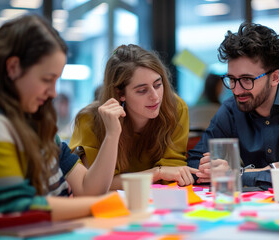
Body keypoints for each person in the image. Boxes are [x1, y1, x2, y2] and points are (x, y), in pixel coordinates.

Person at [0, 15, 123, 221]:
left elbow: (87, 188)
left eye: (56, 80)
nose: (54, 92)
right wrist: (105, 205)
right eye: (47, 79)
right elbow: (15, 209)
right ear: (13, 68)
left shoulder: (35, 120)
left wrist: (113, 133)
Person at [187, 22, 279, 190]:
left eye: (247, 79)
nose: (236, 90)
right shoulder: (231, 109)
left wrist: (238, 175)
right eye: (232, 79)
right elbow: (194, 164)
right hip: (250, 210)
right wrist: (268, 171)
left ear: (275, 77)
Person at [69, 44, 197, 189]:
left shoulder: (175, 108)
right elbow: (94, 185)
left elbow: (173, 173)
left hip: (156, 203)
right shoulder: (89, 120)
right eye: (142, 90)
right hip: (110, 206)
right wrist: (156, 173)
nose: (155, 97)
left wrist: (161, 174)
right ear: (120, 94)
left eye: (157, 85)